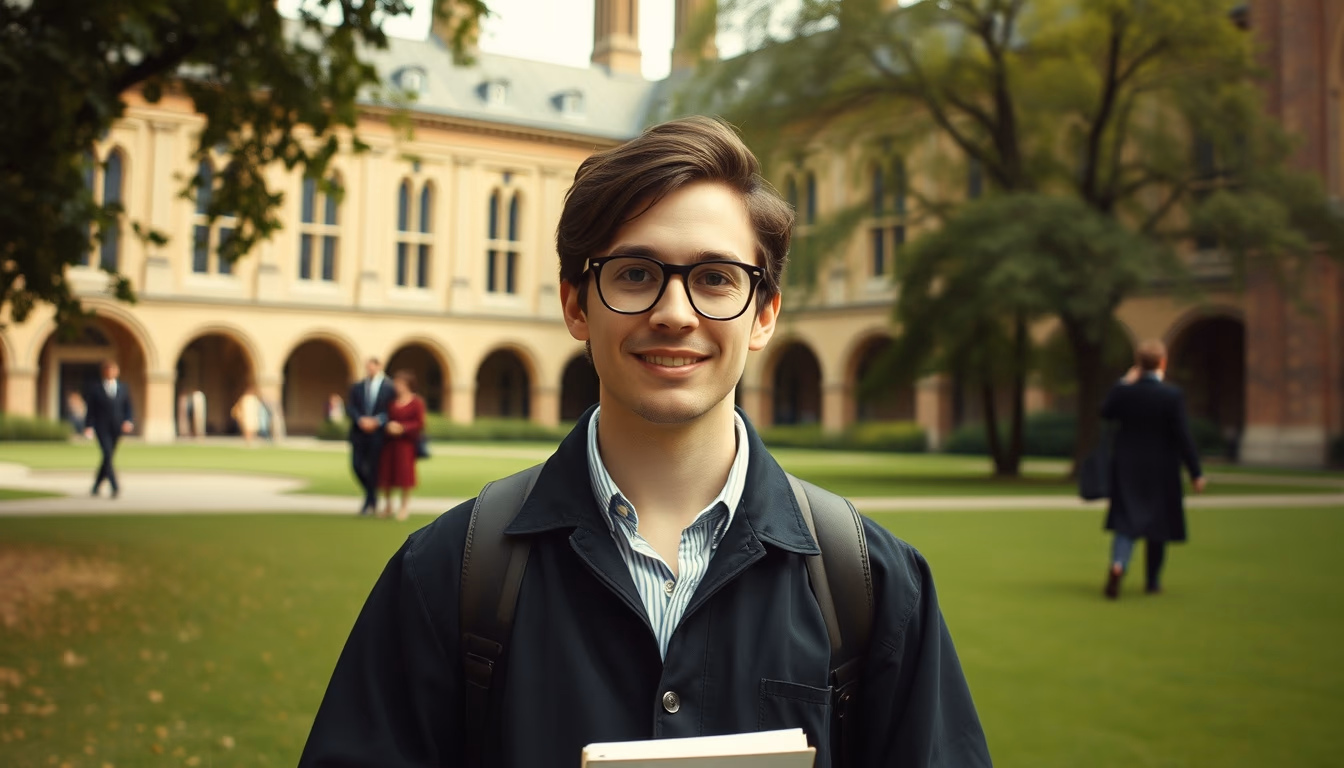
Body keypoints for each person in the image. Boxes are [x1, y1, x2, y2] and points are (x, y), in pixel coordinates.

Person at [299, 117, 991, 767]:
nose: (674, 313)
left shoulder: (871, 587)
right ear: (576, 304)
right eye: (635, 274)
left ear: (764, 313)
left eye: (716, 279)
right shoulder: (447, 577)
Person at [1101, 339, 1207, 599]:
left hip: (1127, 467)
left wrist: (1124, 382)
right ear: (1162, 362)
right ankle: (1153, 580)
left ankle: (1118, 565)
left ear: (1138, 364)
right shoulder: (1171, 395)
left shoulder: (1125, 392)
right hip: (1162, 469)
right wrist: (1195, 472)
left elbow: (1105, 412)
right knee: (1158, 524)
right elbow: (1183, 435)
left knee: (1126, 522)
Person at [376, 370, 425, 522]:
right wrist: (389, 426)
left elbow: (420, 423)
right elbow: (385, 418)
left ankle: (404, 507)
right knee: (387, 474)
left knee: (405, 476)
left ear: (408, 385)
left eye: (400, 383)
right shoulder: (391, 402)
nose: (397, 386)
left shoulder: (416, 402)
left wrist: (403, 428)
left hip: (405, 445)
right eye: (396, 383)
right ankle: (388, 505)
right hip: (390, 444)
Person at [346, 357, 393, 516]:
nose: (369, 370)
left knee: (374, 469)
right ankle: (371, 496)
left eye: (372, 367)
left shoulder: (389, 388)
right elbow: (351, 407)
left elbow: (391, 410)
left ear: (379, 367)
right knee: (356, 466)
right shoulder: (358, 387)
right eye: (367, 367)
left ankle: (369, 502)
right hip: (359, 433)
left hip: (377, 434)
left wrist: (377, 421)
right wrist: (360, 419)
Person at [83, 359, 134, 499]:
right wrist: (88, 426)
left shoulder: (123, 388)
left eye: (113, 370)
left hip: (117, 427)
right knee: (107, 453)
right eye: (108, 370)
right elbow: (91, 410)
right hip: (101, 427)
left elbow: (128, 406)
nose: (111, 372)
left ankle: (96, 486)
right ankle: (115, 486)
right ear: (104, 372)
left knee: (108, 456)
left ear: (117, 372)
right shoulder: (95, 389)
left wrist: (128, 421)